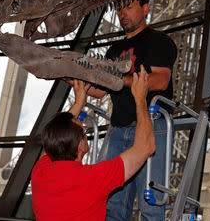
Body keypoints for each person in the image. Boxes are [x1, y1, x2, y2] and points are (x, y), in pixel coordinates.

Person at [87, 0, 177, 221]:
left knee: (151, 204)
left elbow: (160, 80)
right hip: (118, 129)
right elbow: (100, 91)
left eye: (129, 7)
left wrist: (118, 80)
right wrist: (74, 77)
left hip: (152, 127)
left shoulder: (159, 41)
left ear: (146, 9)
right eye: (119, 8)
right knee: (112, 203)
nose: (122, 13)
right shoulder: (114, 51)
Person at [31, 66, 155, 221]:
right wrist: (140, 99)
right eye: (84, 132)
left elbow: (53, 142)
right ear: (81, 146)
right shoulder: (92, 179)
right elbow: (146, 146)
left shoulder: (40, 174)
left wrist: (79, 103)